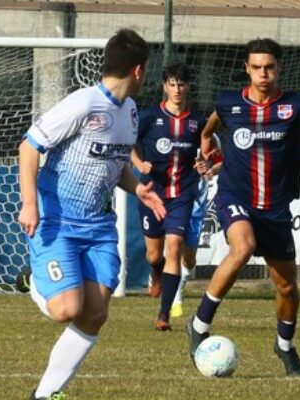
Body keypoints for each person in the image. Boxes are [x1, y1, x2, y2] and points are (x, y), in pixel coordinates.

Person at [18, 29, 165, 400]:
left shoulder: (130, 112)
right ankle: (32, 282)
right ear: (138, 70)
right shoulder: (83, 104)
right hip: (58, 220)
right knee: (67, 309)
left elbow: (115, 167)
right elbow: (29, 147)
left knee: (95, 313)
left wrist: (139, 189)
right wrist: (30, 203)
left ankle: (44, 394)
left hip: (97, 225)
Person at [186, 37, 300, 377]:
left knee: (287, 286)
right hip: (235, 196)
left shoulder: (298, 105)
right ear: (247, 68)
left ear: (279, 69)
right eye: (256, 67)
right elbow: (211, 126)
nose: (263, 74)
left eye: (269, 67)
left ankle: (285, 348)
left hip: (274, 207)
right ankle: (199, 324)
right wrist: (207, 152)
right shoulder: (229, 102)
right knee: (242, 247)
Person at [130, 62, 206, 331]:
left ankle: (163, 314)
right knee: (154, 255)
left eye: (182, 84)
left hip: (182, 195)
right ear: (165, 86)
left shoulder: (198, 122)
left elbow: (210, 153)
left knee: (174, 247)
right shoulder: (150, 117)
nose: (177, 89)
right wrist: (140, 166)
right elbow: (129, 145)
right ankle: (155, 272)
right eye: (172, 84)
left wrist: (204, 163)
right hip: (153, 194)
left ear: (188, 87)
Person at [171, 135, 223, 318]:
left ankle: (182, 278)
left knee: (189, 259)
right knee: (173, 245)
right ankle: (175, 298)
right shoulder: (174, 134)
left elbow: (222, 163)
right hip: (175, 199)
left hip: (197, 205)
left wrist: (210, 170)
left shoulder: (211, 138)